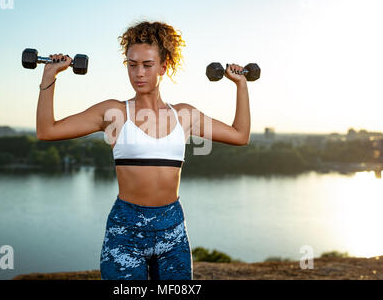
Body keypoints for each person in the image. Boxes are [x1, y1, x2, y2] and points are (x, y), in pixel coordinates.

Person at [36, 20, 251, 280]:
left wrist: (241, 84)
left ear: (164, 66)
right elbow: (47, 130)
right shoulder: (113, 112)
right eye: (132, 64)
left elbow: (240, 135)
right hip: (125, 230)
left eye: (147, 65)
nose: (139, 73)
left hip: (172, 229)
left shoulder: (184, 115)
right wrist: (49, 77)